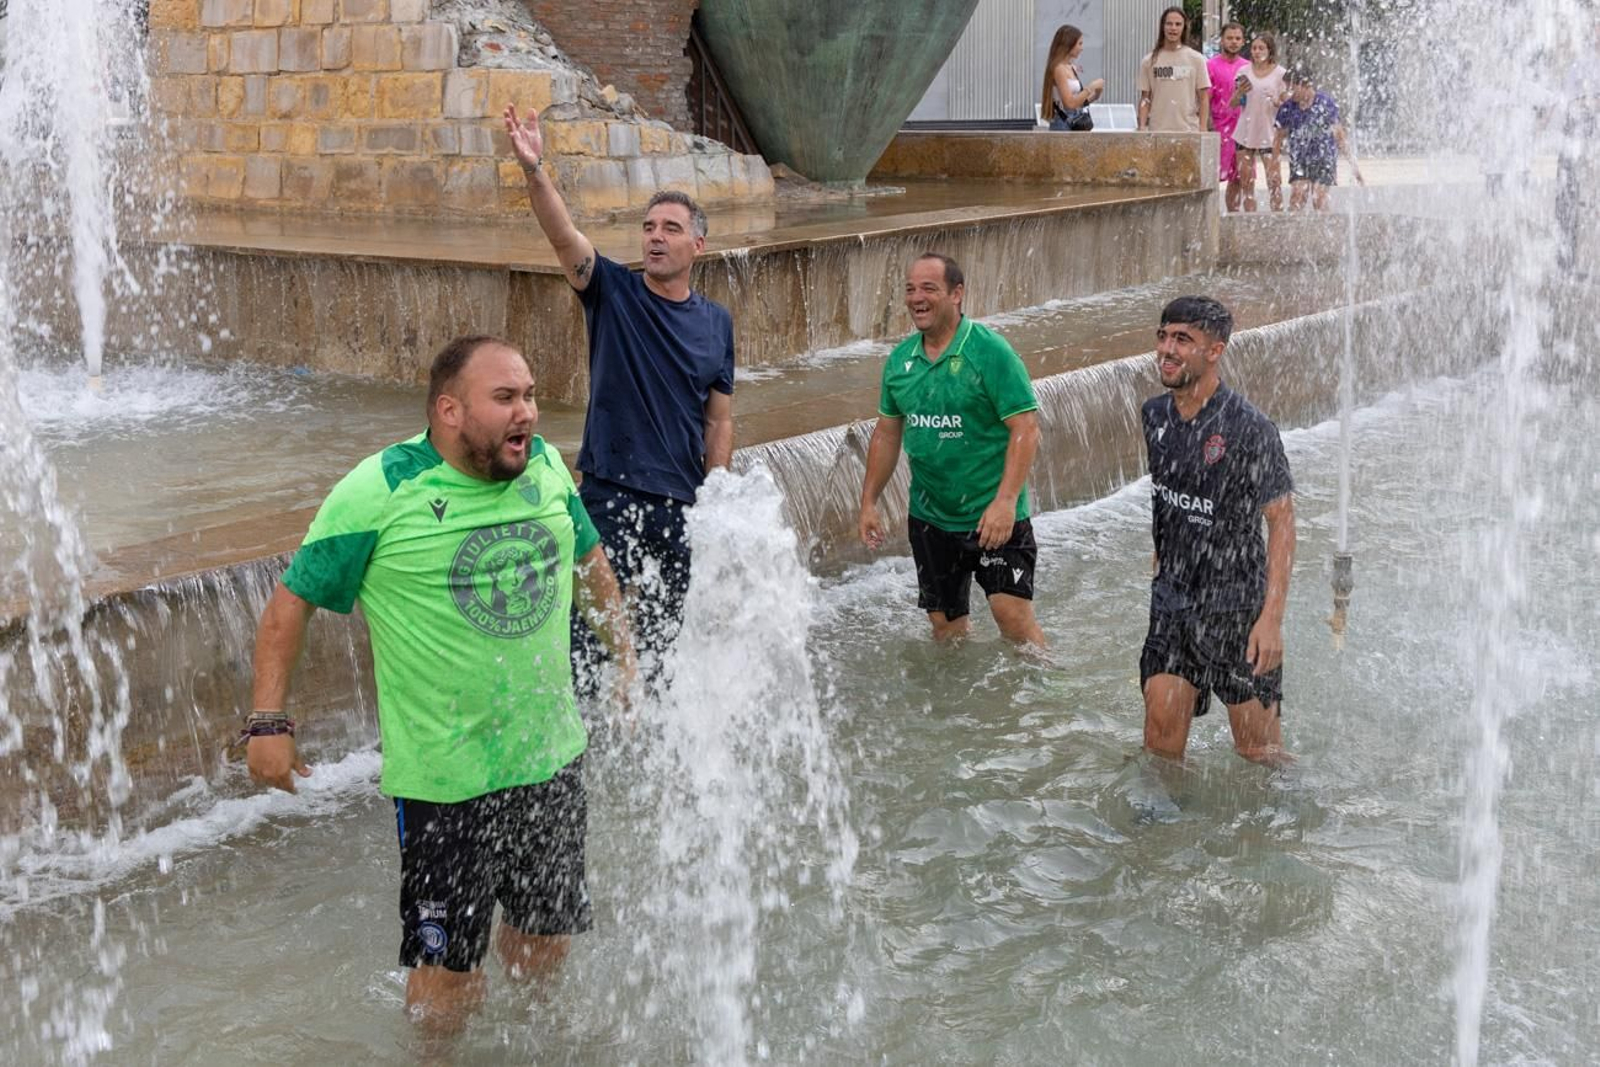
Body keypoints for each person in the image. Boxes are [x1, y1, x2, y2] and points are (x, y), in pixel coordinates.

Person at [245, 335, 638, 1036]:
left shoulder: (545, 465)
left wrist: (625, 655)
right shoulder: (380, 489)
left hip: (548, 759)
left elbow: (589, 561)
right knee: (449, 975)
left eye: (530, 395)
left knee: (545, 937)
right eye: (507, 397)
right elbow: (289, 604)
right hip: (444, 782)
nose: (528, 413)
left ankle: (536, 1047)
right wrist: (268, 721)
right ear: (450, 410)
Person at [502, 103, 735, 683]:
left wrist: (718, 495)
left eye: (671, 229)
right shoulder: (612, 291)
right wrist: (536, 169)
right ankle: (578, 748)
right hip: (609, 495)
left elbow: (719, 420)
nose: (655, 238)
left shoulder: (717, 322)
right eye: (649, 228)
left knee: (661, 648)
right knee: (587, 640)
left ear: (697, 247)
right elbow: (563, 237)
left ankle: (646, 742)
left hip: (680, 504)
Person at [858, 254, 1045, 648]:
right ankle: (959, 707)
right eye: (910, 289)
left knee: (1012, 620)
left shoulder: (990, 351)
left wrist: (1006, 502)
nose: (916, 298)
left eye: (929, 288)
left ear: (956, 294)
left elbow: (1025, 428)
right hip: (930, 516)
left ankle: (1046, 699)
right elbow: (888, 434)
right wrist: (869, 501)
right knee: (946, 629)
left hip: (992, 514)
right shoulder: (899, 362)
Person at [1139, 297, 1295, 766]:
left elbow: (1282, 522)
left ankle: (1284, 827)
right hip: (1172, 605)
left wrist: (1271, 620)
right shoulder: (1154, 415)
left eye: (1183, 340)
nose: (1167, 349)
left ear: (1215, 351)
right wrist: (1162, 556)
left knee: (1259, 753)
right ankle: (1160, 832)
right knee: (1160, 749)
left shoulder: (1250, 428)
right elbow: (1167, 494)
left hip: (1236, 611)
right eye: (1164, 336)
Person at [1273, 69, 1364, 212]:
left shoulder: (1325, 103)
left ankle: (1324, 231)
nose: (1288, 93)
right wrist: (1274, 167)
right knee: (1297, 197)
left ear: (1306, 85)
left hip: (1324, 158)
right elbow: (1278, 138)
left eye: (1292, 89)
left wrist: (1353, 166)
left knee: (1319, 198)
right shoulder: (1288, 108)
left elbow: (1339, 135)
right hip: (1300, 160)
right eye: (1287, 89)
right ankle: (1295, 231)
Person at [1231, 33, 1289, 212]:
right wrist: (1239, 92)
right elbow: (1233, 104)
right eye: (1254, 48)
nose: (1256, 52)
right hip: (1245, 132)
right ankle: (1250, 220)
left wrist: (1277, 102)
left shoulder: (1280, 73)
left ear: (1269, 50)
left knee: (1274, 182)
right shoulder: (1243, 72)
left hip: (1269, 133)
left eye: (1261, 48)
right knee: (1246, 184)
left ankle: (1277, 221)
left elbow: (1287, 107)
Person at [1137, 6, 1211, 133]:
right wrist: (1142, 127)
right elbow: (1145, 98)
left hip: (1189, 131)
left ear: (1184, 27)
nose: (1173, 28)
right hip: (1157, 132)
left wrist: (1202, 129)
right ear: (1163, 27)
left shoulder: (1197, 59)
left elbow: (1203, 98)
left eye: (1178, 24)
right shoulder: (1148, 61)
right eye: (1169, 24)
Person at [1208, 22, 1250, 211]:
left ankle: (1232, 216)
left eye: (1237, 38)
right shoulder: (1210, 65)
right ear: (1222, 40)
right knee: (1212, 178)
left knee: (1239, 178)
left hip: (1242, 131)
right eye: (1229, 38)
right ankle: (1210, 218)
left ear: (1243, 41)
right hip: (1218, 130)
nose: (1233, 42)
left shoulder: (1248, 67)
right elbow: (1204, 99)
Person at [1042, 23, 1104, 131]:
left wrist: (1096, 94)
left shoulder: (1070, 67)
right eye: (1079, 44)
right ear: (1068, 44)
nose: (1082, 48)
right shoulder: (1059, 69)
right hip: (1064, 124)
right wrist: (1090, 87)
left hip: (1075, 121)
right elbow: (1070, 103)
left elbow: (1078, 102)